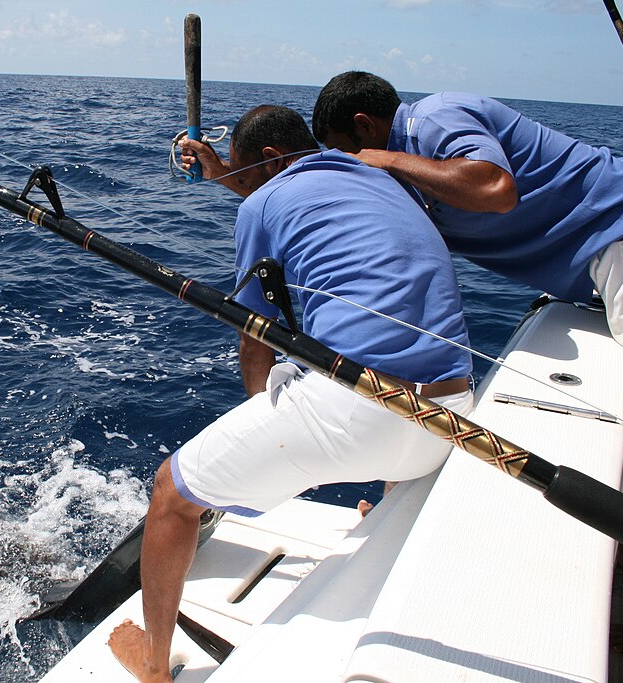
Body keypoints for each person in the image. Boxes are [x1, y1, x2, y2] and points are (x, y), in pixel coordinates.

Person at [310, 71, 623, 663]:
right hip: (614, 265)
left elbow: (493, 187)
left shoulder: (432, 119)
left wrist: (386, 158)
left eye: (350, 153)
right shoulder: (414, 176)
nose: (358, 167)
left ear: (364, 129)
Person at [108, 105, 473, 682]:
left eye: (244, 174)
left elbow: (255, 338)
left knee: (172, 492)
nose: (242, 187)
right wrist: (228, 173)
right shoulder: (383, 178)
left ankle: (153, 665)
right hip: (447, 420)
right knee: (386, 350)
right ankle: (379, 501)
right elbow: (290, 200)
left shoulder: (259, 202)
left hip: (358, 418)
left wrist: (264, 431)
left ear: (273, 160)